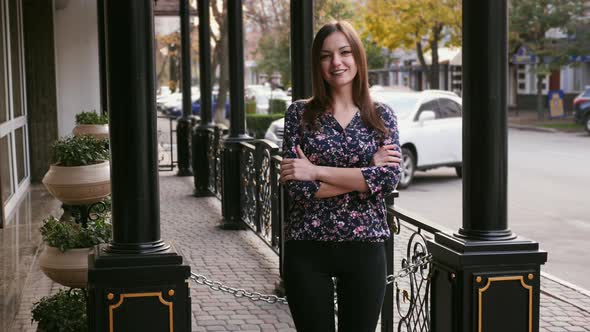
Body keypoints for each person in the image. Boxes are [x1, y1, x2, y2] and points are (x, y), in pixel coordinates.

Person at [279, 21, 402, 332]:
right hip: (307, 250)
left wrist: (316, 171)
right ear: (317, 64)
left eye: (345, 52)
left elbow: (388, 180)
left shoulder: (381, 116)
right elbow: (299, 190)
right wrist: (365, 173)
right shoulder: (299, 114)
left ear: (357, 57)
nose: (336, 62)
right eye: (326, 55)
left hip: (366, 249)